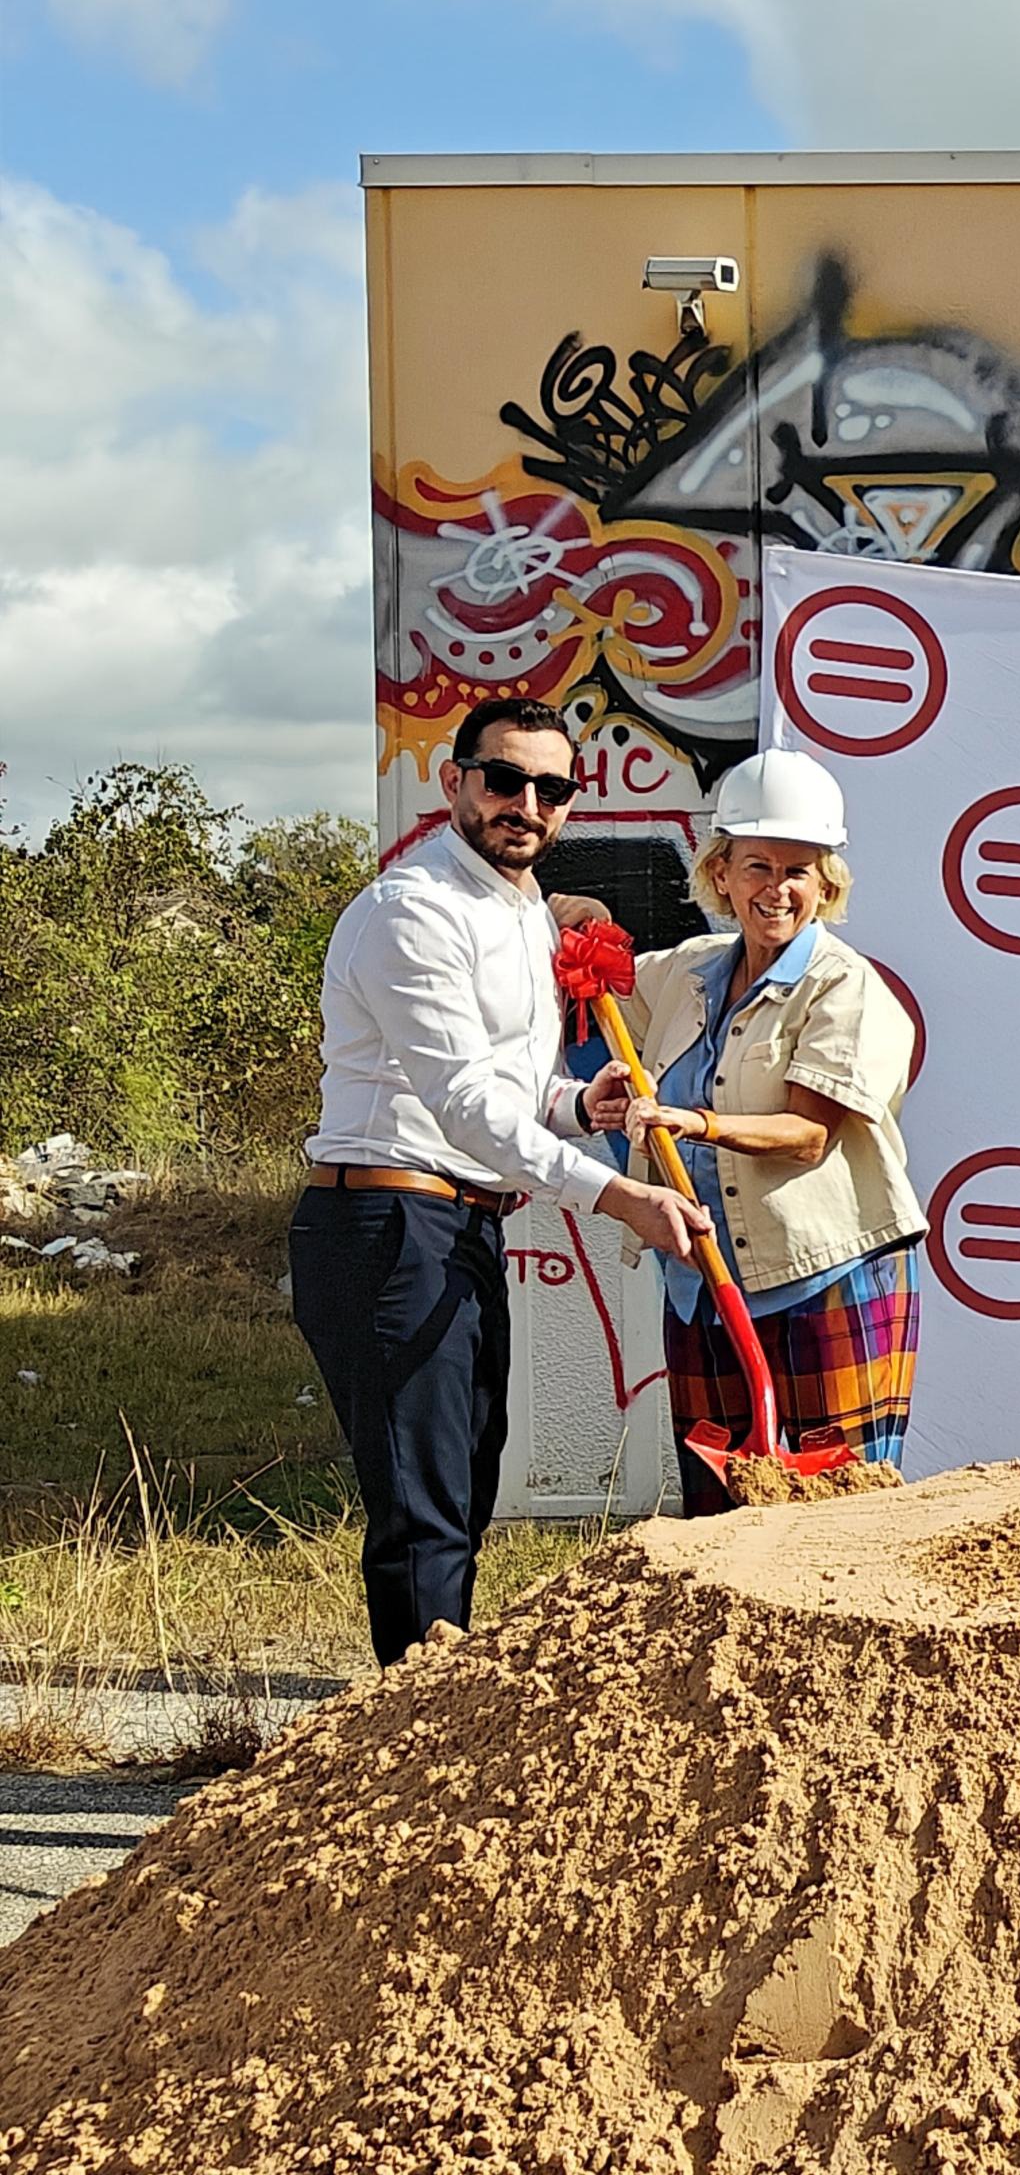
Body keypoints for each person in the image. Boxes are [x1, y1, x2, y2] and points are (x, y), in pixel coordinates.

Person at [296, 698, 709, 1659]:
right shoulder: (415, 912)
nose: (527, 803)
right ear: (455, 781)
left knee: (465, 1481)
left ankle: (431, 1715)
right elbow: (463, 1104)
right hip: (386, 1225)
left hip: (458, 1223)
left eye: (551, 788)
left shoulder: (518, 908)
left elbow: (515, 1095)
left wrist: (579, 1105)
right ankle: (413, 1746)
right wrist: (619, 1195)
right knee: (424, 1507)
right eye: (504, 779)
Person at [584, 750, 926, 1509]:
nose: (776, 890)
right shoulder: (689, 972)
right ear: (721, 873)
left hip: (825, 1277)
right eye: (757, 866)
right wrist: (573, 920)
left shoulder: (844, 986)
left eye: (798, 871)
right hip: (703, 1282)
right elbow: (603, 997)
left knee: (843, 1511)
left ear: (825, 884)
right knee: (718, 1512)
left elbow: (809, 1135)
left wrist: (691, 1122)